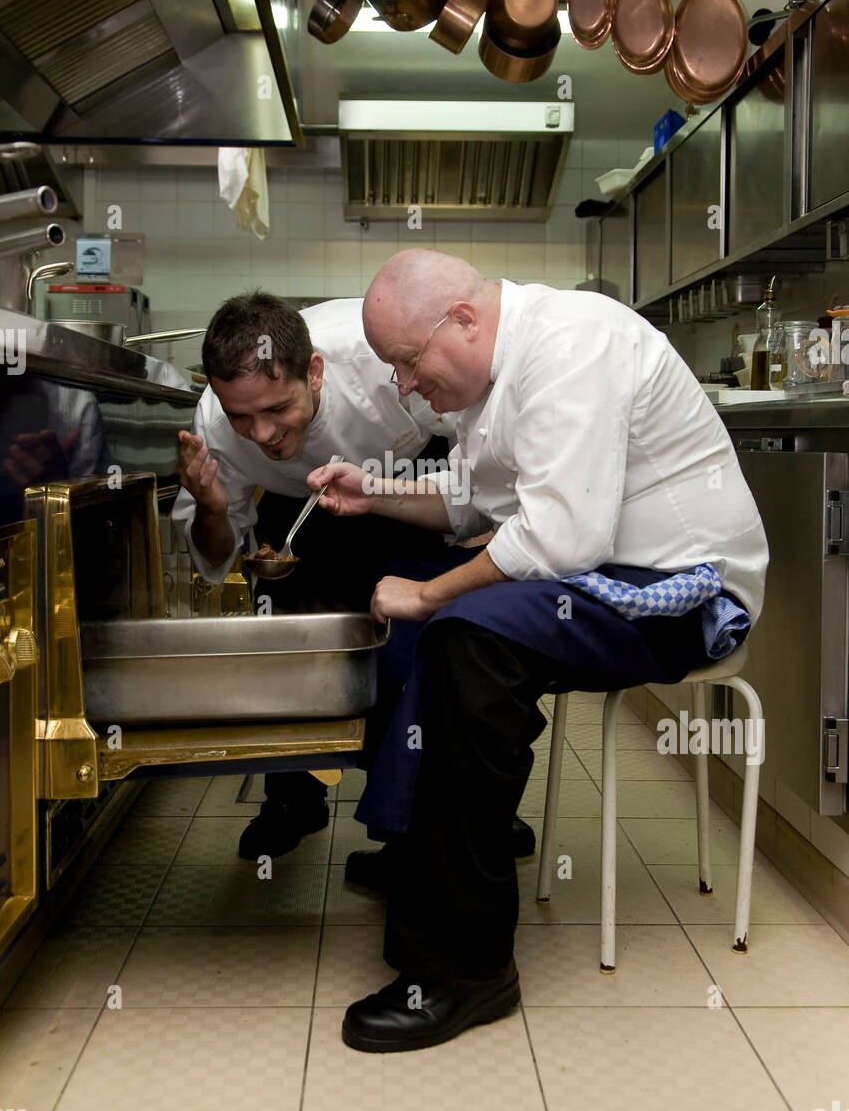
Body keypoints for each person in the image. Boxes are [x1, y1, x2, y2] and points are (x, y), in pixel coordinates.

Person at [305, 248, 769, 1053]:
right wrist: (372, 492)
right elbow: (464, 500)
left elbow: (558, 535)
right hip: (601, 574)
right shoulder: (495, 379)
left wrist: (429, 593)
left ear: (464, 321)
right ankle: (423, 852)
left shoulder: (574, 342)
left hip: (682, 593)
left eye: (408, 365)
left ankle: (463, 967)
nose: (406, 387)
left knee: (463, 634)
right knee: (446, 628)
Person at [172, 290, 463, 862]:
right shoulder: (212, 420)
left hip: (411, 483)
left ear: (316, 371)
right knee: (287, 641)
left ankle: (428, 815)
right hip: (295, 506)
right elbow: (217, 559)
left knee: (417, 645)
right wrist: (209, 507)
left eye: (278, 409)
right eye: (242, 418)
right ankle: (292, 797)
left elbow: (478, 439)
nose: (261, 435)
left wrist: (461, 516)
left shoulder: (384, 357)